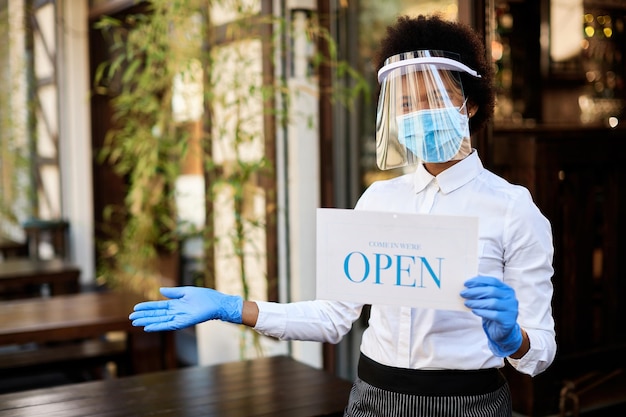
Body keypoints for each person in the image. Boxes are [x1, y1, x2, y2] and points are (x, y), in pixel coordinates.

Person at [129, 14, 556, 417]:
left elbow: (540, 355)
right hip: (371, 397)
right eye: (407, 103)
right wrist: (233, 307)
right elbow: (333, 318)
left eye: (435, 98)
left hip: (469, 405)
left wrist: (512, 337)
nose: (419, 114)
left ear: (471, 104)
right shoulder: (378, 200)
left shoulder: (513, 209)